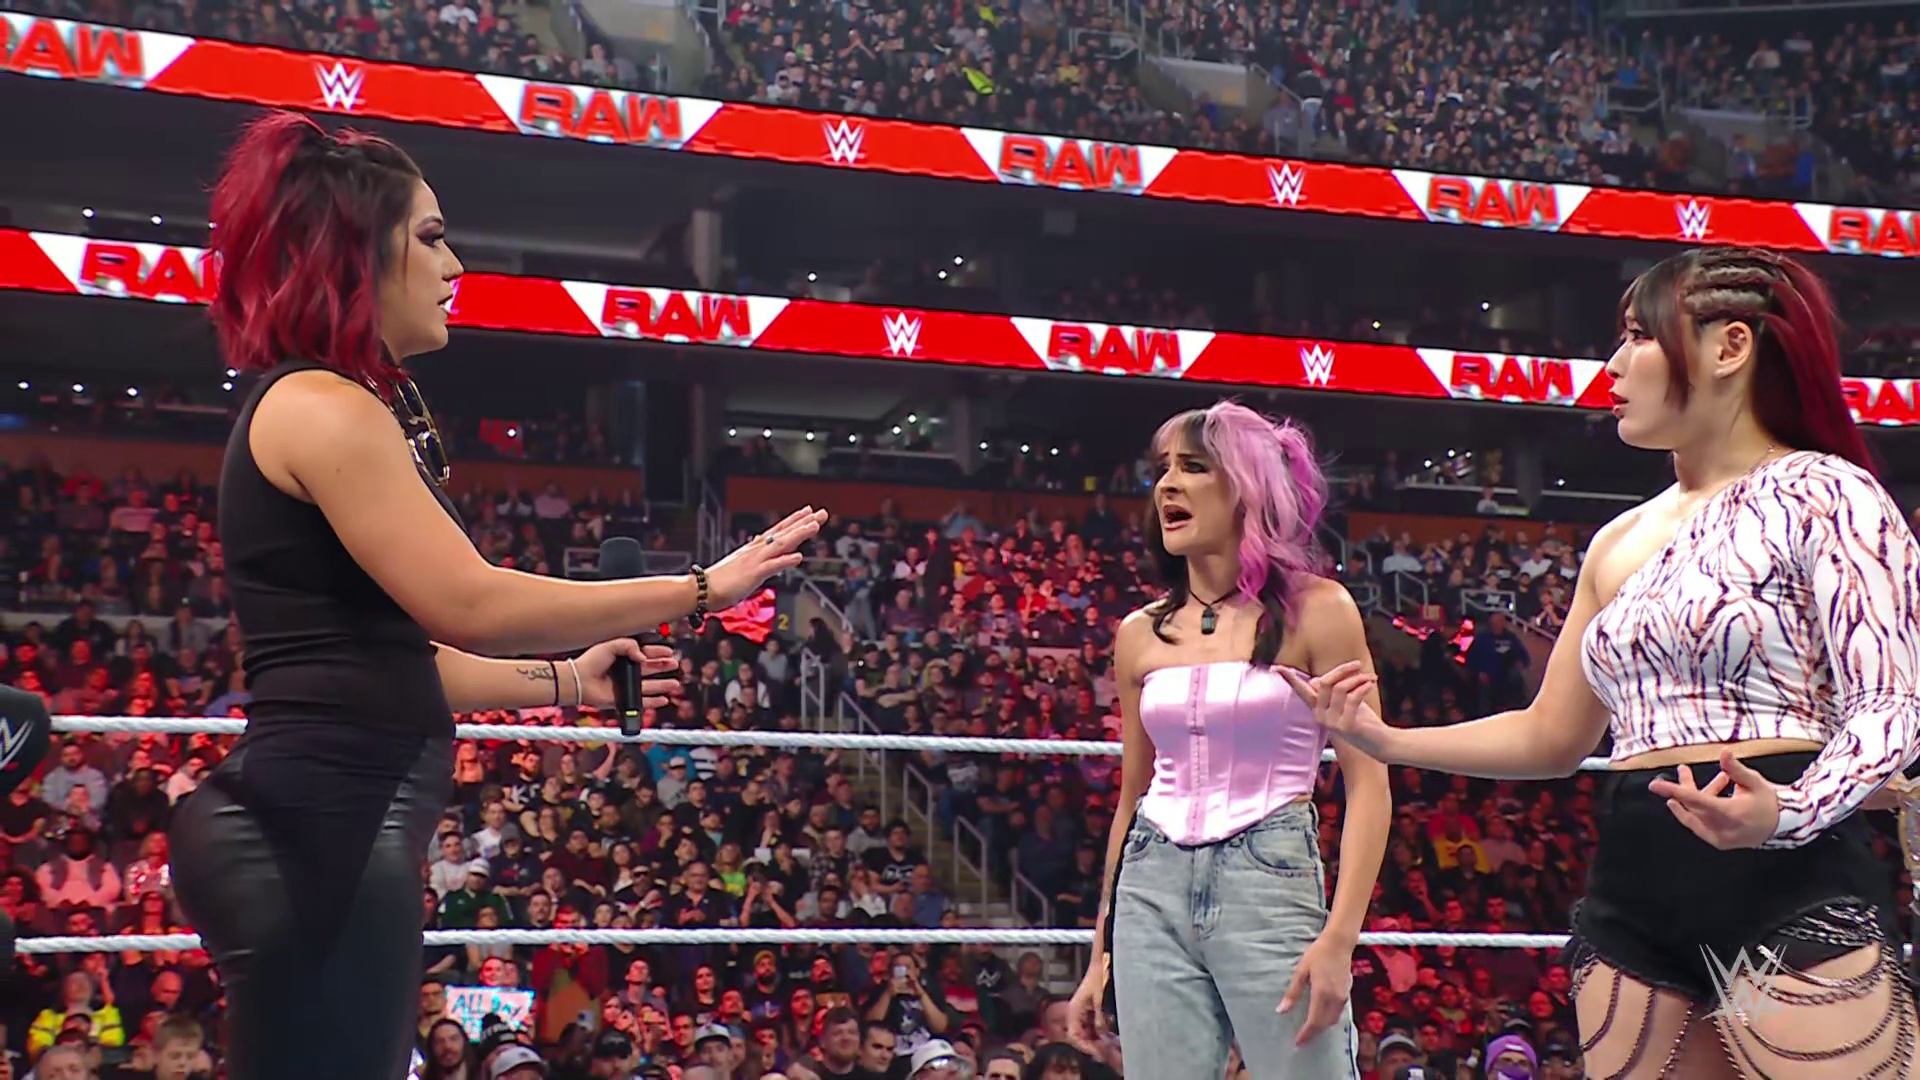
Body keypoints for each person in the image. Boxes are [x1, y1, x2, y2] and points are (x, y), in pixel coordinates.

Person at [166, 110, 825, 1080]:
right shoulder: (324, 407)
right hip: (319, 830)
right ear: (358, 254)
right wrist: (700, 587)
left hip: (318, 823)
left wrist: (569, 683)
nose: (455, 265)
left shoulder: (333, 403)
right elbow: (469, 603)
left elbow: (392, 660)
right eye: (431, 237)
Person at [1288, 248, 1920, 1079]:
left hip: (1788, 869)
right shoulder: (1618, 539)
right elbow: (1551, 737)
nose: (1614, 366)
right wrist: (1387, 739)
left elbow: (1891, 705)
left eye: (1638, 337)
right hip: (1634, 884)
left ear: (1729, 347)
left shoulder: (1829, 494)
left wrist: (1790, 810)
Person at [1064, 401, 1391, 1076]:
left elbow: (1370, 785)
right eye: (1163, 470)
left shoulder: (1319, 610)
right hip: (1149, 884)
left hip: (1267, 877)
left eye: (1193, 468)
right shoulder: (1139, 633)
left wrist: (1339, 941)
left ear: (1247, 488)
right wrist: (1101, 953)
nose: (1167, 485)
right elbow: (1132, 798)